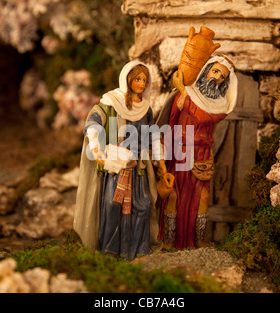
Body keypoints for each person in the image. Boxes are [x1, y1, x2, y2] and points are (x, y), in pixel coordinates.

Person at [73, 61, 166, 260]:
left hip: (138, 167)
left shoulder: (145, 108)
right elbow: (94, 123)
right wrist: (97, 147)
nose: (141, 83)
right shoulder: (110, 102)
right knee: (112, 205)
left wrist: (160, 160)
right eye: (137, 79)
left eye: (144, 80)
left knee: (143, 205)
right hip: (117, 165)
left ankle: (139, 249)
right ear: (128, 79)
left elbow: (152, 133)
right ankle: (110, 250)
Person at [156, 54, 238, 250]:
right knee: (175, 196)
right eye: (215, 71)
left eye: (222, 77)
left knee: (202, 198)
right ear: (206, 70)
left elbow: (202, 118)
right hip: (180, 152)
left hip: (202, 154)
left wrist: (184, 91)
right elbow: (171, 120)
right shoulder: (183, 96)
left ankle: (198, 238)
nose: (217, 78)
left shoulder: (219, 106)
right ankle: (169, 240)